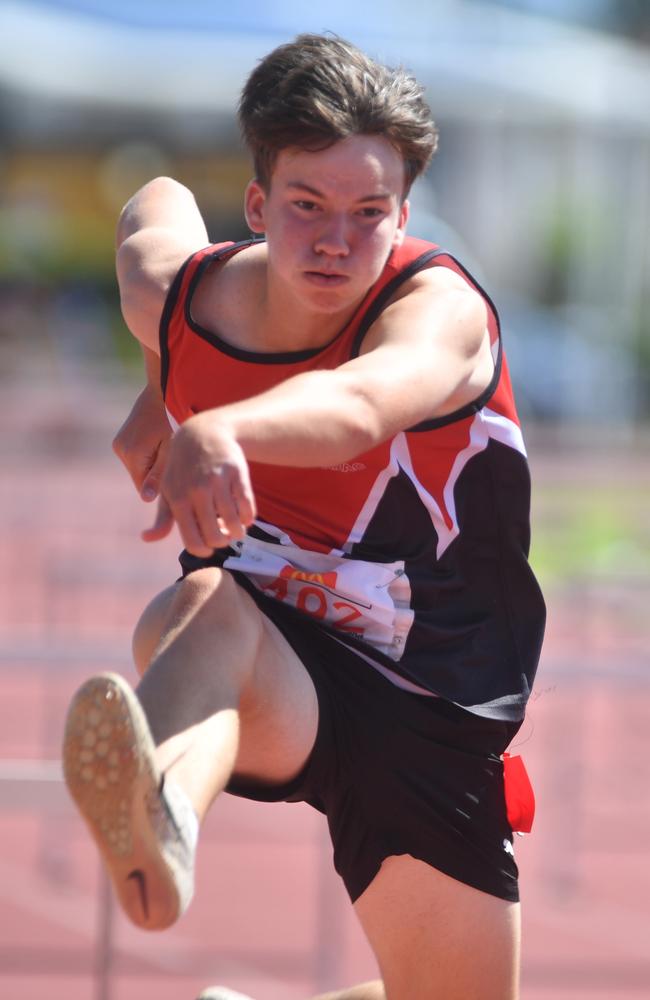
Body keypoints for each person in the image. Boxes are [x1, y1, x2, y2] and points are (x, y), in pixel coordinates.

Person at [62, 33, 545, 1000]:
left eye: (369, 213)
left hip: (430, 705)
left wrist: (220, 425)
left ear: (404, 214)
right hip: (274, 657)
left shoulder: (439, 314)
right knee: (197, 613)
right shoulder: (179, 299)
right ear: (255, 205)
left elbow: (363, 407)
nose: (335, 240)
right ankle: (160, 817)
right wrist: (166, 381)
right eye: (306, 205)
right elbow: (150, 200)